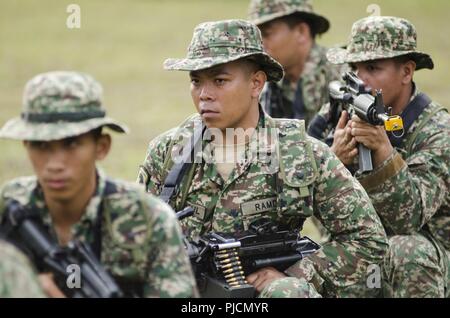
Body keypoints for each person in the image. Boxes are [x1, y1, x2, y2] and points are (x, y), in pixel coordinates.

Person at [137, 19, 387, 297]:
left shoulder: (300, 153)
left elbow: (367, 239)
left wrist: (295, 275)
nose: (204, 95)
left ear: (256, 83)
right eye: (196, 81)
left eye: (220, 80)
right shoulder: (168, 153)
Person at [0, 71, 197, 298]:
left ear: (101, 147)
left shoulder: (148, 220)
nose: (55, 164)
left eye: (71, 144)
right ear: (26, 146)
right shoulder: (10, 204)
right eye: (41, 145)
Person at [322, 16, 449, 297]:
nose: (361, 78)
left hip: (427, 258)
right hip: (359, 244)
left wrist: (384, 152)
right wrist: (333, 161)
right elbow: (300, 207)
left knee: (407, 250)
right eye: (355, 67)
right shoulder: (341, 113)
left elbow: (408, 220)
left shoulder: (436, 130)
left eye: (373, 68)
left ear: (406, 72)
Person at [247, 0, 346, 125]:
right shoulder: (263, 83)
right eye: (256, 37)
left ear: (301, 32)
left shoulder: (342, 76)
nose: (260, 44)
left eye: (266, 34)